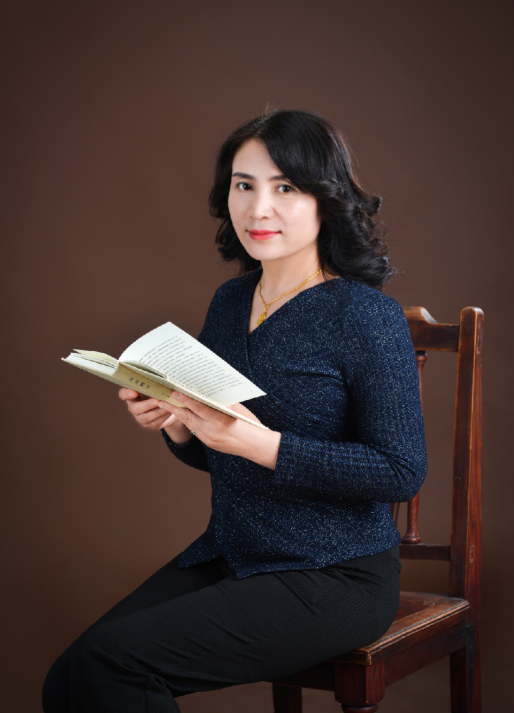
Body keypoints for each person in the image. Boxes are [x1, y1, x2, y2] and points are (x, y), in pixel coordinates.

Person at [43, 109, 427, 712]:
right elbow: (218, 454)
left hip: (335, 573)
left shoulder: (365, 315)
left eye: (285, 188)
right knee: (69, 679)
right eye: (243, 185)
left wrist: (261, 443)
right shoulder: (229, 302)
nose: (258, 208)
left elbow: (401, 471)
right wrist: (177, 425)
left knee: (112, 668)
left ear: (324, 198)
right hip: (235, 550)